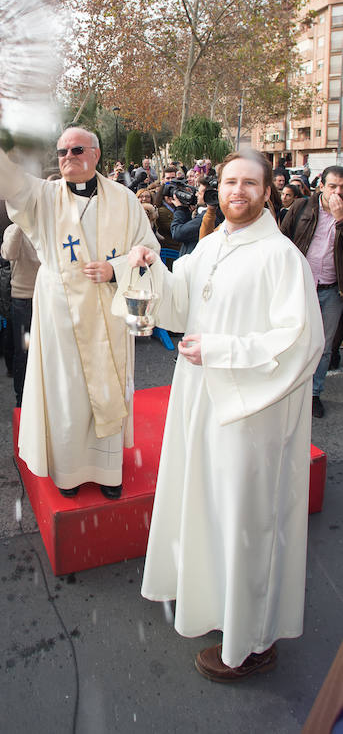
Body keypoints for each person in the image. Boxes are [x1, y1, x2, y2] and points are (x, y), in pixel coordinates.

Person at [127, 149, 324, 682]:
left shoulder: (283, 258)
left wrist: (221, 350)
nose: (237, 191)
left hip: (252, 414)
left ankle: (253, 640)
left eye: (250, 184)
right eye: (229, 182)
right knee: (210, 509)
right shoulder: (213, 243)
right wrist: (151, 269)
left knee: (247, 522)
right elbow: (177, 299)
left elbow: (301, 342)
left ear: (267, 191)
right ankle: (217, 605)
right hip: (201, 399)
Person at [0, 102, 159, 500]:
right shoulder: (43, 195)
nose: (68, 157)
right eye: (62, 151)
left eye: (77, 150)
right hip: (60, 312)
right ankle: (69, 472)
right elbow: (5, 180)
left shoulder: (125, 200)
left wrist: (115, 268)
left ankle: (108, 473)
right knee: (67, 392)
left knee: (106, 389)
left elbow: (148, 249)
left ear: (95, 155)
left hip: (109, 308)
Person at [281, 165, 343, 418]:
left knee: (324, 345)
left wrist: (341, 221)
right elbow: (282, 238)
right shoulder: (302, 207)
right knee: (291, 338)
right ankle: (285, 390)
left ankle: (314, 393)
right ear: (321, 186)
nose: (337, 192)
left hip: (331, 290)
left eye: (342, 188)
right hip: (300, 285)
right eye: (333, 186)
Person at [1, 222, 40, 407]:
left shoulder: (46, 225)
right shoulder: (12, 229)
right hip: (23, 301)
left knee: (47, 351)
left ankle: (42, 399)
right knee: (25, 351)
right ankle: (22, 400)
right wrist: (20, 223)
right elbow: (8, 253)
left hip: (46, 298)